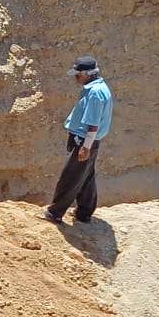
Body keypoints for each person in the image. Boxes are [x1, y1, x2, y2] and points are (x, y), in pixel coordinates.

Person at [43, 56, 113, 224]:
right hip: (89, 141)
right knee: (86, 176)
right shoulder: (98, 87)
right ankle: (85, 212)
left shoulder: (95, 93)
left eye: (77, 74)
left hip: (85, 141)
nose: (75, 78)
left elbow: (93, 124)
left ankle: (55, 212)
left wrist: (85, 146)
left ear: (87, 74)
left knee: (71, 177)